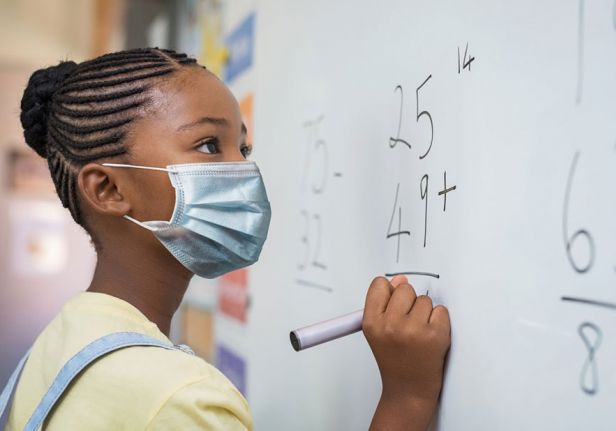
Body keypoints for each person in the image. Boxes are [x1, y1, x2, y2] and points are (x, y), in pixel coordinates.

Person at [0, 47, 451, 430]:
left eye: (244, 148)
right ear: (109, 190)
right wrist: (407, 397)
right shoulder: (178, 399)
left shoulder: (59, 345)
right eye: (209, 145)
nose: (243, 171)